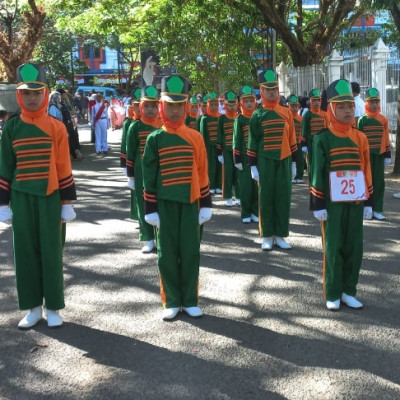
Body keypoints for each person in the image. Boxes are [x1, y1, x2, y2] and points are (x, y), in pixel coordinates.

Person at [0, 63, 77, 329]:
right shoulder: (10, 128)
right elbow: (5, 166)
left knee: (52, 252)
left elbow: (63, 165)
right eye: (27, 93)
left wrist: (66, 203)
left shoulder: (56, 127)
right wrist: (3, 205)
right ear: (19, 96)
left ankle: (54, 306)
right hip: (21, 199)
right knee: (25, 253)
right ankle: (33, 307)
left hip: (50, 198)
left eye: (37, 92)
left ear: (45, 93)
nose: (32, 98)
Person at [142, 75, 212, 321]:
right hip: (165, 205)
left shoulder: (195, 137)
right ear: (162, 106)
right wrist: (150, 208)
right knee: (167, 253)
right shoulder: (154, 139)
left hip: (191, 203)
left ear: (186, 107)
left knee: (191, 252)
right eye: (170, 105)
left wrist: (205, 204)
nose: (174, 110)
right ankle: (171, 299)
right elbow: (148, 177)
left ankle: (190, 300)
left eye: (179, 105)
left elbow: (203, 171)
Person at [310, 78, 373, 311]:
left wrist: (370, 202)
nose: (348, 110)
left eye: (350, 105)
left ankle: (349, 290)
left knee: (355, 246)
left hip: (356, 201)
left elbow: (366, 171)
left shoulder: (361, 138)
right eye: (342, 106)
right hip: (332, 204)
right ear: (332, 109)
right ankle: (333, 291)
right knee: (334, 247)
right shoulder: (322, 138)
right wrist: (317, 203)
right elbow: (316, 172)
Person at [247, 69, 298, 251]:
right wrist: (253, 166)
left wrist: (293, 163)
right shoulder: (257, 115)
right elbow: (253, 141)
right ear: (261, 91)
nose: (271, 92)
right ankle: (267, 235)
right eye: (267, 89)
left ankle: (281, 235)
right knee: (266, 198)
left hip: (284, 161)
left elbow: (292, 138)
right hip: (265, 162)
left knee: (283, 199)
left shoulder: (286, 112)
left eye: (274, 89)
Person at [126, 85, 162, 253]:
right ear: (140, 107)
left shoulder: (163, 125)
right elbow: (130, 152)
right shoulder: (135, 126)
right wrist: (131, 176)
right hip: (141, 172)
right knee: (143, 204)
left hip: (161, 170)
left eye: (153, 106)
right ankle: (148, 238)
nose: (149, 109)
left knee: (160, 203)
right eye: (146, 106)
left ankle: (161, 237)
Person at [357, 88, 391, 220]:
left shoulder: (383, 119)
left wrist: (387, 154)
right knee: (364, 181)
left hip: (379, 155)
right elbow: (358, 139)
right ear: (366, 103)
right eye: (372, 102)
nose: (375, 104)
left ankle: (377, 209)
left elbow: (386, 137)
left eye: (377, 101)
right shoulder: (362, 120)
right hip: (365, 156)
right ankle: (365, 207)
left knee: (379, 182)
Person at [233, 85, 258, 223]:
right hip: (243, 157)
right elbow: (236, 139)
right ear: (241, 103)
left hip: (257, 157)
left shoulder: (257, 117)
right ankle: (245, 212)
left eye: (251, 100)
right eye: (246, 101)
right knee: (246, 187)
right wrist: (237, 159)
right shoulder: (239, 119)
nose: (249, 103)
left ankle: (255, 211)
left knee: (256, 186)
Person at [217, 90, 240, 206]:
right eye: (229, 105)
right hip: (226, 150)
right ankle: (228, 196)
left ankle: (238, 196)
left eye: (233, 104)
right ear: (225, 105)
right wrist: (219, 153)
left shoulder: (239, 117)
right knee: (228, 173)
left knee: (238, 173)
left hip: (237, 151)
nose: (231, 107)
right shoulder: (222, 118)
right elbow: (219, 135)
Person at [301, 88, 329, 184]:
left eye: (318, 100)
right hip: (311, 143)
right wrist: (304, 145)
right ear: (310, 102)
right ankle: (312, 183)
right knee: (312, 163)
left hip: (323, 142)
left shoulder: (325, 114)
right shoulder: (307, 115)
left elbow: (327, 127)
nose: (317, 103)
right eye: (314, 100)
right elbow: (304, 130)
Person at [200, 91, 222, 194]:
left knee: (220, 166)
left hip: (219, 146)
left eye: (216, 104)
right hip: (209, 147)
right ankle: (211, 185)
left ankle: (219, 185)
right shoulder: (204, 119)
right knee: (211, 167)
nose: (214, 107)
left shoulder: (221, 117)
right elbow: (203, 135)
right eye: (211, 104)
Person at [56, 88, 83, 161]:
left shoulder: (62, 103)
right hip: (65, 125)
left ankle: (74, 153)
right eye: (64, 94)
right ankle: (73, 153)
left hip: (68, 124)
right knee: (70, 140)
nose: (65, 95)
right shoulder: (58, 105)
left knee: (72, 139)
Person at [288, 94, 304, 183]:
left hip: (298, 142)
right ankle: (291, 176)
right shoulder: (287, 117)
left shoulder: (301, 118)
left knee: (300, 160)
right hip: (290, 143)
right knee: (290, 160)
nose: (294, 108)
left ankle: (299, 175)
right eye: (292, 106)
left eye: (296, 106)